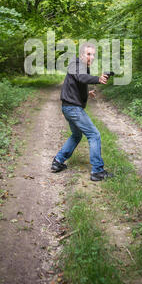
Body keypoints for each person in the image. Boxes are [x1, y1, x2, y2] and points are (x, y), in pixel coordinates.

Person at [51, 42, 114, 181]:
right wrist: (98, 79)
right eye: (88, 54)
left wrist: (87, 92)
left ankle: (58, 162)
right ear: (81, 55)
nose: (91, 57)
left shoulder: (80, 66)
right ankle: (97, 171)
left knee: (76, 135)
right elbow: (81, 78)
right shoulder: (77, 64)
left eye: (93, 55)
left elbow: (78, 83)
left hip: (69, 107)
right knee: (94, 135)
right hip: (73, 108)